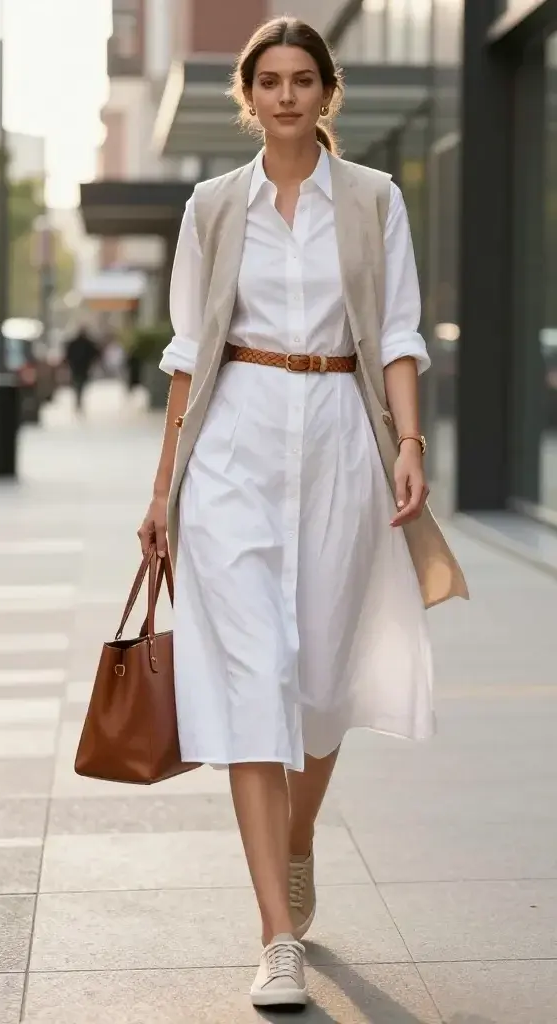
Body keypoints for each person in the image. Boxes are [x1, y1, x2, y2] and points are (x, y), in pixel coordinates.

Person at [138, 16, 467, 1010]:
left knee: (318, 683)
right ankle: (275, 937)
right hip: (233, 447)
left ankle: (298, 837)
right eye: (268, 80)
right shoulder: (211, 206)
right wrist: (163, 491)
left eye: (301, 79)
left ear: (328, 92)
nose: (285, 95)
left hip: (337, 444)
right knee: (249, 683)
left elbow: (400, 330)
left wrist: (409, 446)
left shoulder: (374, 200)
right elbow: (189, 351)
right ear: (250, 96)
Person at [64, 326, 99, 412]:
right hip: (82, 367)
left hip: (77, 367)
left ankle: (78, 398)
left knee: (78, 384)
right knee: (80, 384)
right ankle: (78, 398)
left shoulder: (76, 343)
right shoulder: (86, 343)